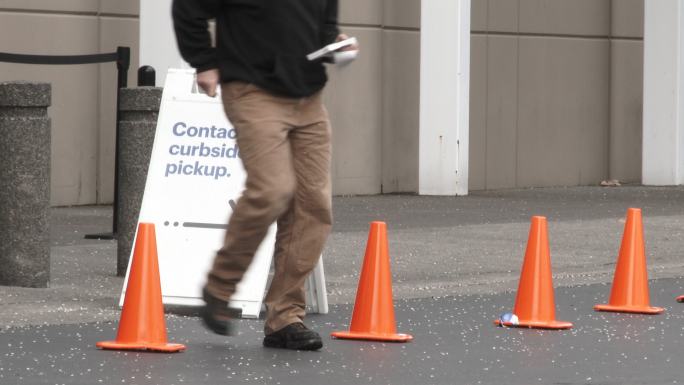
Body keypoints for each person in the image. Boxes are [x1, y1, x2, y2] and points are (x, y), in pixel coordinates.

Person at [171, 0, 356, 351]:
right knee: (272, 191)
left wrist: (338, 42)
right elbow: (188, 8)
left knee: (312, 204)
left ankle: (285, 317)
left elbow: (324, 26)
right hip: (253, 90)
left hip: (308, 98)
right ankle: (220, 288)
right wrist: (205, 61)